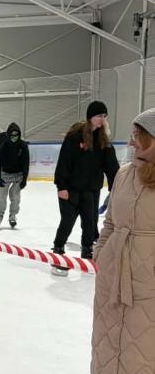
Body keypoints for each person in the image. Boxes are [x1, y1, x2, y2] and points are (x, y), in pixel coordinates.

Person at [91, 108, 155, 374]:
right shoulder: (125, 174)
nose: (132, 142)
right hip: (119, 269)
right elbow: (111, 222)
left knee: (150, 341)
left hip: (150, 274)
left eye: (139, 136)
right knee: (129, 341)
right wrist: (101, 253)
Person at [53, 101, 119, 260]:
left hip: (91, 190)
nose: (102, 119)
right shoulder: (75, 136)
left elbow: (111, 167)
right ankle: (59, 247)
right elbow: (64, 162)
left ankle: (87, 250)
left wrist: (115, 188)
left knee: (90, 223)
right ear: (90, 117)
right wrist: (61, 186)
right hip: (71, 189)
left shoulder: (103, 140)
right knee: (67, 222)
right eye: (99, 116)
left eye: (104, 116)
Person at [0, 123, 30, 230]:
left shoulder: (23, 146)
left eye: (16, 135)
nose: (14, 137)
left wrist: (24, 179)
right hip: (5, 174)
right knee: (2, 196)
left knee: (15, 196)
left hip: (18, 175)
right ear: (8, 135)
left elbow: (26, 163)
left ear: (19, 135)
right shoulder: (3, 146)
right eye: (12, 135)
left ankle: (13, 215)